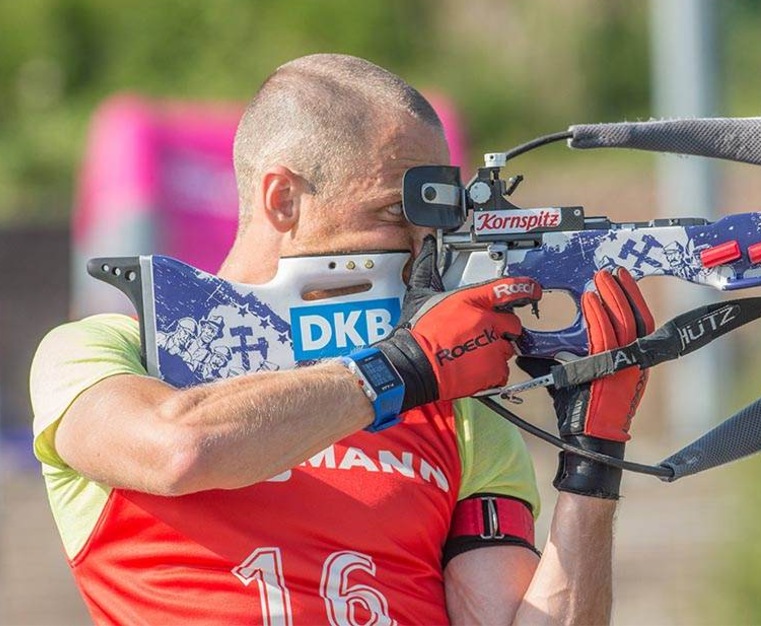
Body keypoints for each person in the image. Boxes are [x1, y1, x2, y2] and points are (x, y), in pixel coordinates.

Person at [30, 54, 653, 624]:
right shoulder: (111, 352)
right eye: (390, 213)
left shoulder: (454, 411)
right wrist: (395, 372)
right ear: (283, 200)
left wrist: (592, 464)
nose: (421, 254)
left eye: (432, 227)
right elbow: (180, 451)